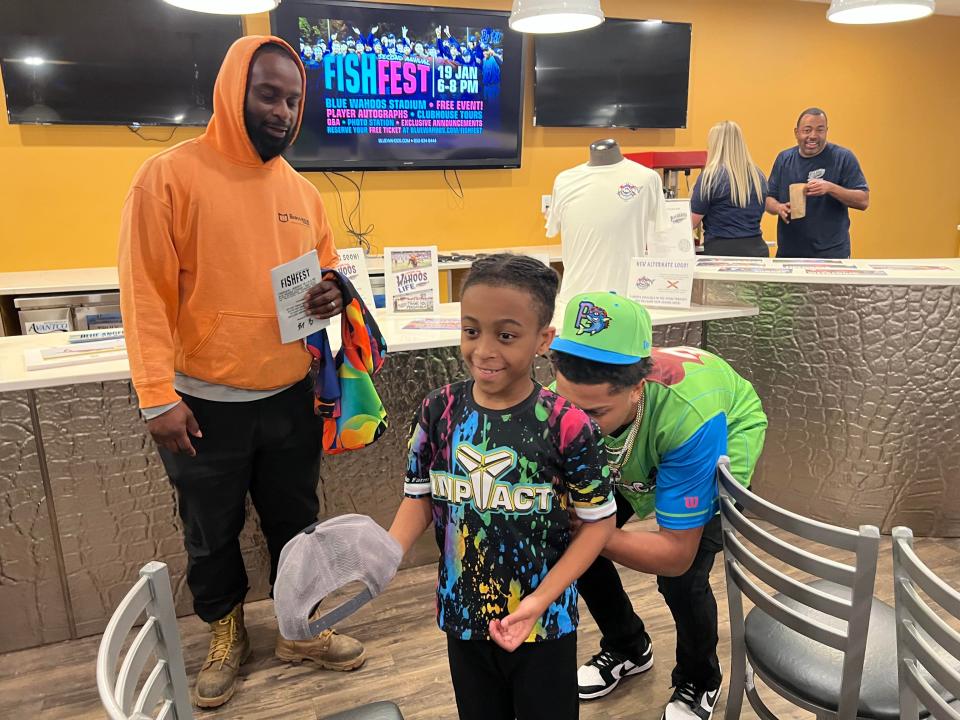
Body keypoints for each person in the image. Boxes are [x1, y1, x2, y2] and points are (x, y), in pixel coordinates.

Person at [117, 36, 365, 709]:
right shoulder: (168, 176)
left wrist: (334, 290)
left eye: (293, 99)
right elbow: (142, 293)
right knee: (210, 530)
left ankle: (298, 627)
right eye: (269, 94)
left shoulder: (303, 191)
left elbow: (328, 269)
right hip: (202, 404)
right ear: (232, 92)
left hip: (290, 394)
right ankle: (226, 634)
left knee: (297, 522)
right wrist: (155, 397)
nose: (284, 110)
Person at [387, 254, 617, 720]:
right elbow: (419, 498)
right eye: (471, 331)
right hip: (461, 614)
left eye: (506, 335)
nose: (484, 349)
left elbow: (598, 524)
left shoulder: (566, 424)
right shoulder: (437, 410)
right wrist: (384, 555)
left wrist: (538, 601)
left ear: (543, 340)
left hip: (544, 621)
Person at [549, 292, 767, 720]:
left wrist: (596, 531)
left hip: (713, 434)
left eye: (593, 412)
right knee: (573, 546)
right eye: (567, 405)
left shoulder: (690, 419)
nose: (577, 425)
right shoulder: (576, 395)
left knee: (682, 581)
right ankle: (628, 646)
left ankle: (700, 677)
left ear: (637, 387)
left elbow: (675, 555)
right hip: (637, 445)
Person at [765, 107, 869, 258]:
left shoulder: (843, 158)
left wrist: (830, 188)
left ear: (826, 131)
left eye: (820, 130)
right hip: (789, 254)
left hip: (832, 254)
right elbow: (768, 199)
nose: (813, 136)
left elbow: (863, 201)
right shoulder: (784, 159)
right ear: (796, 133)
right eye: (807, 130)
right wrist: (779, 207)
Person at [690, 121, 769, 257]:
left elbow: (691, 222)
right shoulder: (758, 176)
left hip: (721, 253)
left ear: (715, 145)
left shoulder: (710, 177)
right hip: (757, 250)